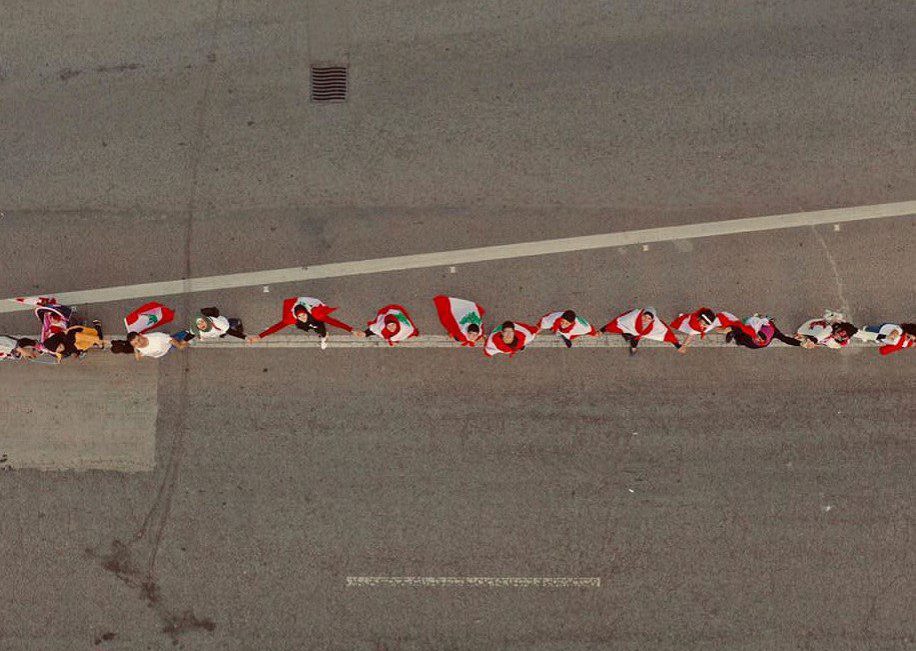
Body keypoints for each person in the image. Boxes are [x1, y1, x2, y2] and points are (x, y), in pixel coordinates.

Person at [247, 296, 355, 349]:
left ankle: (324, 336)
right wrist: (260, 336)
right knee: (309, 327)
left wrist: (351, 330)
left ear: (307, 312)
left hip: (315, 319)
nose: (302, 317)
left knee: (320, 328)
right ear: (296, 316)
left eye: (303, 315)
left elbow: (334, 322)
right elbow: (276, 327)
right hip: (307, 320)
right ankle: (320, 333)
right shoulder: (292, 319)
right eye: (299, 316)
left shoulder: (316, 314)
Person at [601, 307, 681, 355]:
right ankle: (633, 347)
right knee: (632, 337)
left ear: (652, 320)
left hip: (636, 334)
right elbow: (617, 323)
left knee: (635, 339)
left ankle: (633, 347)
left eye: (649, 318)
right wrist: (602, 330)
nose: (646, 320)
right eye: (644, 316)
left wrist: (678, 345)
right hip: (631, 330)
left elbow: (666, 333)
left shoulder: (657, 324)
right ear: (641, 314)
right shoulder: (631, 317)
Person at [670, 307, 755, 352]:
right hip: (721, 321)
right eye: (703, 324)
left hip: (723, 321)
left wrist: (724, 330)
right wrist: (684, 346)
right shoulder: (696, 327)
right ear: (699, 319)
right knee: (687, 325)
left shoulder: (710, 323)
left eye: (706, 324)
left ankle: (732, 332)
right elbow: (690, 335)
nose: (704, 326)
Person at [724, 314, 802, 349]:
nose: (758, 339)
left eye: (760, 338)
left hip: (754, 344)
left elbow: (786, 339)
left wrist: (800, 343)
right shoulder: (758, 325)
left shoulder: (775, 332)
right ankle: (735, 335)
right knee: (743, 332)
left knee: (744, 340)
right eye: (759, 336)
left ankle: (738, 339)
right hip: (752, 339)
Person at [177, 307, 245, 343]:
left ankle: (238, 322)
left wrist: (245, 337)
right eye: (198, 324)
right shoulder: (195, 329)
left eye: (202, 322)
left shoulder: (216, 322)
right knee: (222, 333)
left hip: (222, 327)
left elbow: (230, 331)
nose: (201, 325)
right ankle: (222, 334)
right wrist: (184, 341)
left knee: (231, 323)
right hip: (218, 332)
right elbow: (191, 335)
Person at [111, 331, 187, 360]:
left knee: (181, 336)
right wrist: (135, 349)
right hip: (163, 351)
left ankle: (188, 333)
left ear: (141, 335)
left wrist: (179, 346)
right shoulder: (138, 348)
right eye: (135, 344)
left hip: (169, 345)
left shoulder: (158, 337)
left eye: (138, 340)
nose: (139, 344)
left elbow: (171, 340)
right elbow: (138, 358)